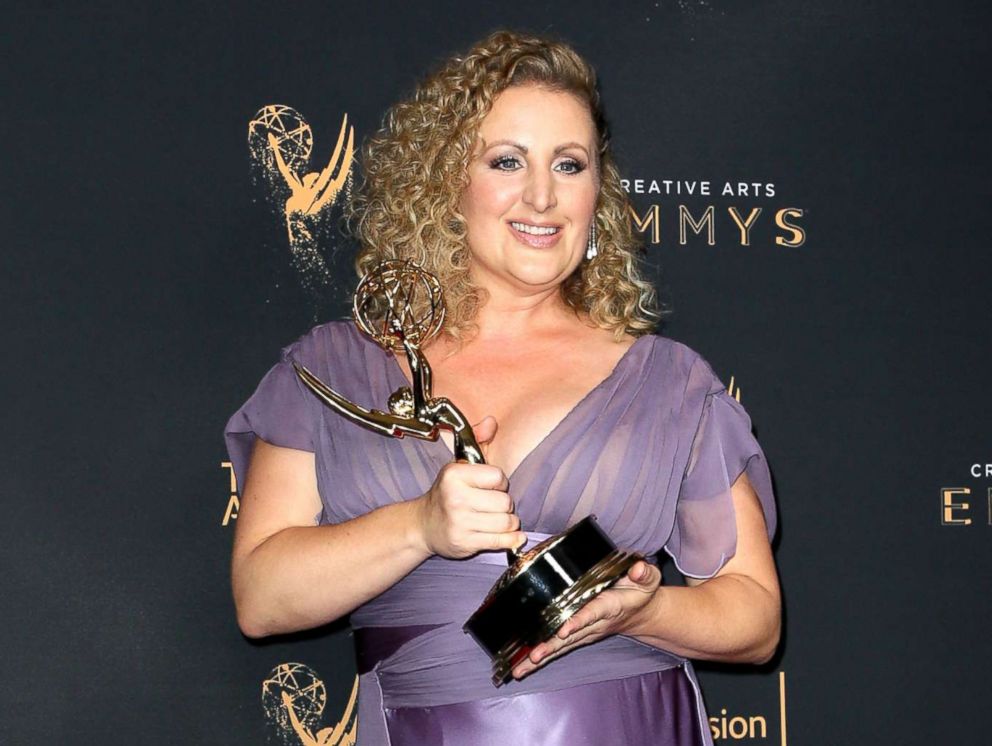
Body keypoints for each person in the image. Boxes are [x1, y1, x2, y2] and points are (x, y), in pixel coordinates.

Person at [226, 30, 780, 746]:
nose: (543, 196)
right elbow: (261, 600)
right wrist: (419, 527)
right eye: (507, 160)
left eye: (571, 165)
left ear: (598, 193)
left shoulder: (670, 382)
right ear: (447, 180)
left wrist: (638, 613)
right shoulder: (332, 369)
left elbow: (756, 618)